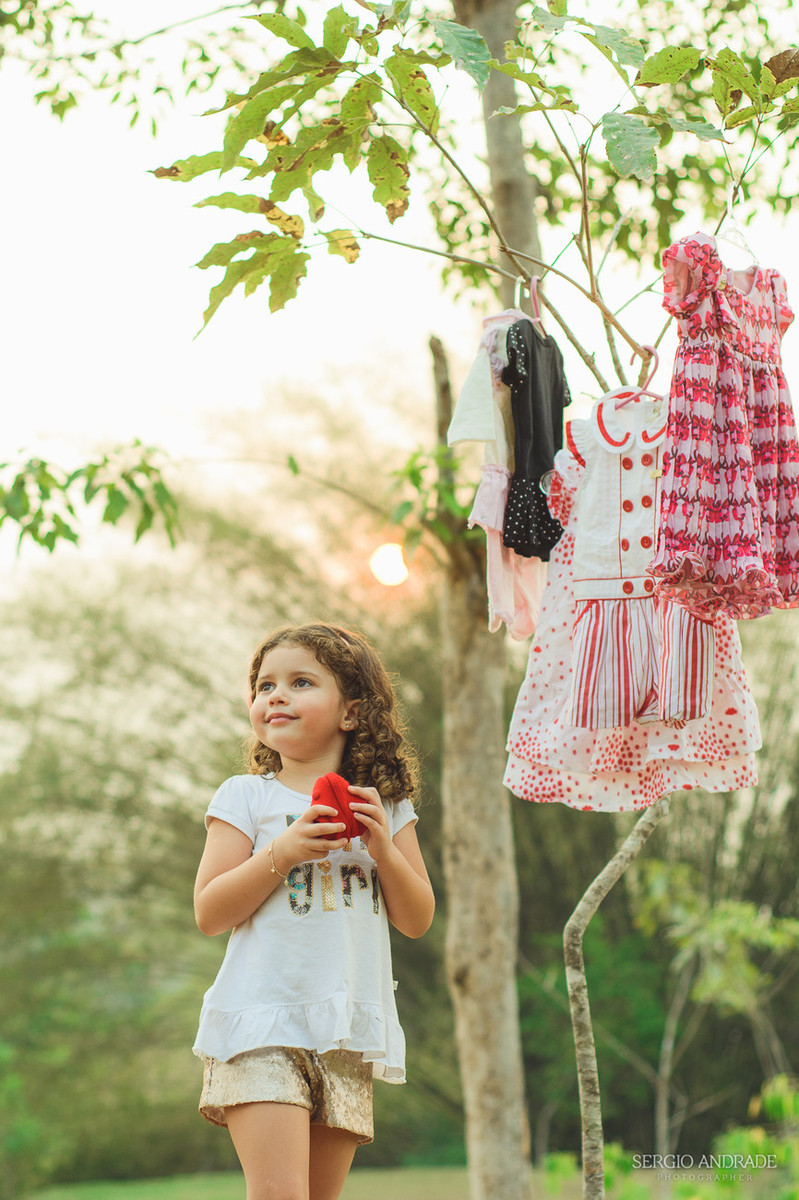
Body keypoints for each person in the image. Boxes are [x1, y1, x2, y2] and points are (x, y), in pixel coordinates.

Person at [192, 622, 435, 1200]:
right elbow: (209, 911)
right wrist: (283, 851)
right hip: (262, 1022)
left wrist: (382, 849)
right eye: (264, 686)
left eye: (300, 682)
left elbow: (417, 918)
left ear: (352, 711)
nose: (275, 695)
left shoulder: (385, 807)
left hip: (346, 1031)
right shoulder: (246, 796)